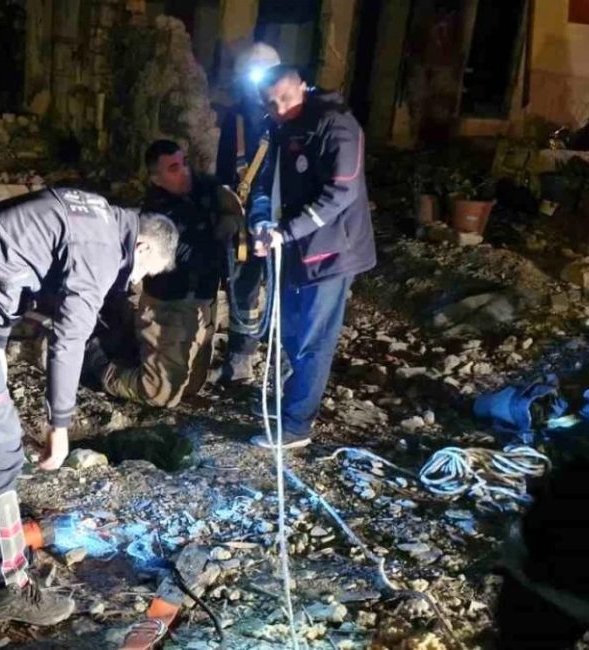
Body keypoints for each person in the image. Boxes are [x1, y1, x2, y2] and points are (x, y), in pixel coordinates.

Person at [0, 188, 177, 625]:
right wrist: (60, 424)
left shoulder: (95, 212)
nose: (133, 280)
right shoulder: (104, 250)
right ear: (141, 244)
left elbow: (9, 250)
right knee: (2, 448)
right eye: (143, 270)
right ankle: (4, 588)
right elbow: (68, 339)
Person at [248, 64, 376, 448]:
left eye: (286, 99)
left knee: (313, 339)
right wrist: (260, 222)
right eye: (271, 103)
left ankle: (296, 426)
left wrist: (285, 233)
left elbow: (341, 192)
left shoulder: (336, 125)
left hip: (332, 250)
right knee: (286, 329)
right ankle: (291, 399)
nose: (280, 108)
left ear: (303, 87)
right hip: (293, 249)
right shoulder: (279, 126)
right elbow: (265, 178)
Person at [87, 140, 241, 407]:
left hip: (204, 304)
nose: (184, 172)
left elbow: (231, 206)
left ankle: (139, 351)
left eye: (183, 163)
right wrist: (219, 234)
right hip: (171, 307)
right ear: (157, 179)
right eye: (173, 168)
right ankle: (95, 359)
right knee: (158, 393)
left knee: (192, 387)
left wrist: (231, 218)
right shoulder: (158, 215)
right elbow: (190, 255)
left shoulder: (204, 187)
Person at [214, 43, 281, 384]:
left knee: (281, 290)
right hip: (242, 214)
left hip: (281, 217)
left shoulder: (286, 119)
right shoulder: (236, 119)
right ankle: (241, 358)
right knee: (244, 286)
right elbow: (224, 168)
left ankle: (280, 361)